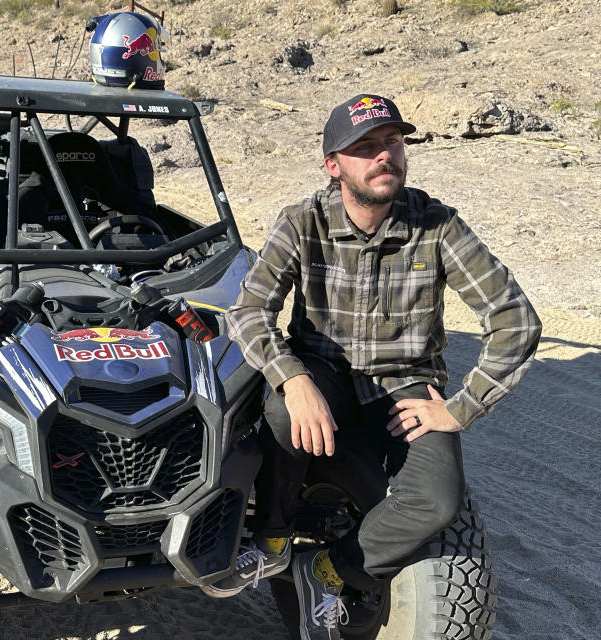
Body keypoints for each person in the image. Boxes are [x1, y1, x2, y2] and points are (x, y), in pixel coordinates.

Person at [202, 94, 541, 640]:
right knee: (279, 413)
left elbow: (516, 321)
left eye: (392, 142)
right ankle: (271, 538)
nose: (384, 156)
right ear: (334, 166)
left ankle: (330, 568)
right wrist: (292, 377)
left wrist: (463, 407)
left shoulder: (437, 226)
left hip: (406, 388)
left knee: (437, 501)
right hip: (325, 374)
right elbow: (249, 309)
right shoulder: (303, 221)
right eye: (365, 147)